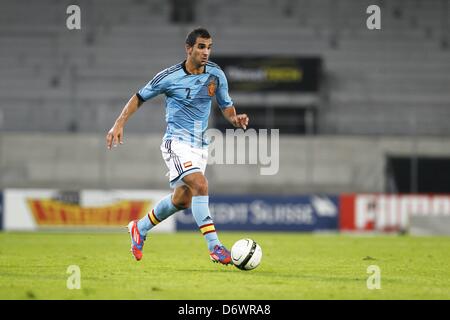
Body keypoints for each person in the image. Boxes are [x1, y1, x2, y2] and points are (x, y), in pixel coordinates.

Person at [106, 27, 249, 265]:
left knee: (182, 200)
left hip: (200, 146)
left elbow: (226, 105)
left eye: (209, 47)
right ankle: (215, 247)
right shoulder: (169, 77)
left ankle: (139, 228)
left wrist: (235, 118)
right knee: (201, 184)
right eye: (201, 47)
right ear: (189, 48)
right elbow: (139, 97)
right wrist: (118, 123)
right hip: (176, 143)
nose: (206, 52)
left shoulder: (216, 75)